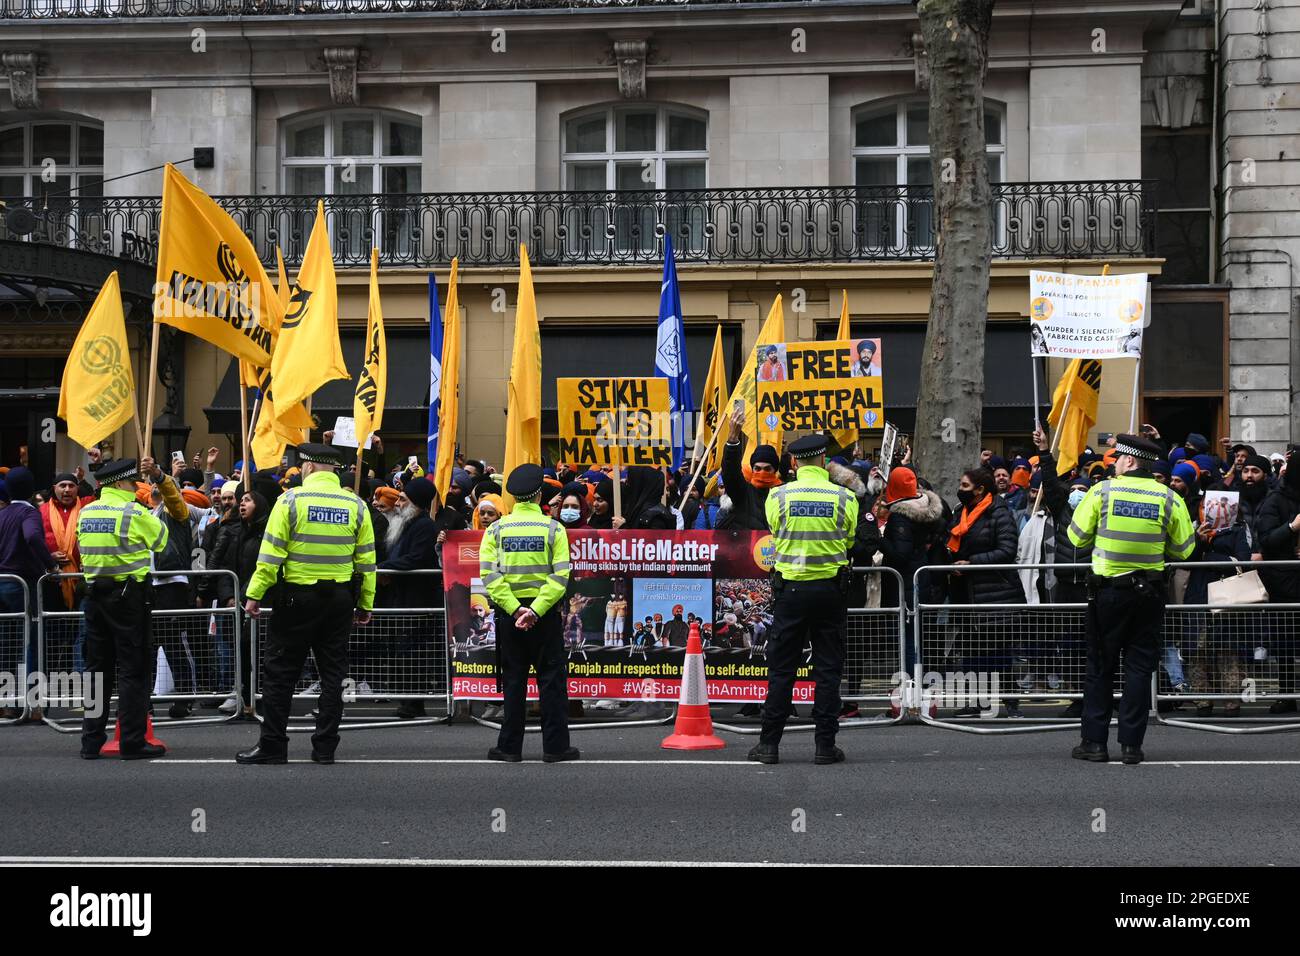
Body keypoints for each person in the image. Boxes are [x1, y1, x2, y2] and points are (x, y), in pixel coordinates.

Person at [236, 444, 376, 765]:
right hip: (340, 600)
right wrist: (365, 603)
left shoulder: (290, 500)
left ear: (309, 467)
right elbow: (366, 562)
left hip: (296, 600)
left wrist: (255, 594)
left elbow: (270, 555)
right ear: (335, 470)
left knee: (280, 674)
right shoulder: (356, 505)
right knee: (332, 675)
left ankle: (273, 745)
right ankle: (325, 747)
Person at [1067, 433, 1195, 765]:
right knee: (1139, 669)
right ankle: (1131, 747)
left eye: (1116, 460)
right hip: (1150, 594)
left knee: (1100, 668)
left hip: (1108, 592)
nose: (1114, 465)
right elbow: (1184, 549)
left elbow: (1076, 537)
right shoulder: (1168, 498)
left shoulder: (1103, 491)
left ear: (1128, 461)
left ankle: (1094, 743)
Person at [748, 434, 858, 766]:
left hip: (791, 593)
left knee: (782, 669)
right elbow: (850, 538)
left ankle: (769, 744)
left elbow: (774, 529)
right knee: (827, 670)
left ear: (794, 462)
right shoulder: (844, 497)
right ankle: (825, 745)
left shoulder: (777, 496)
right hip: (829, 591)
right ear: (823, 460)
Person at [477, 463, 578, 763]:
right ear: (538, 496)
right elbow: (560, 577)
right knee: (551, 681)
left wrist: (514, 608)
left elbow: (489, 575)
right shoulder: (553, 528)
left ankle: (509, 747)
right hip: (544, 616)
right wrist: (535, 610)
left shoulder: (496, 529)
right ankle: (556, 748)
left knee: (513, 681)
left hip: (510, 616)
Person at [77, 457, 169, 760]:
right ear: (120, 483)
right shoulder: (132, 511)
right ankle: (132, 741)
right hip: (129, 599)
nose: (135, 489)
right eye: (132, 483)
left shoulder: (86, 511)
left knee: (96, 672)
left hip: (94, 598)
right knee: (133, 671)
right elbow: (161, 541)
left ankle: (90, 741)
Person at [946, 466, 1024, 715]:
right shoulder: (961, 512)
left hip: (995, 592)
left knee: (999, 651)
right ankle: (978, 702)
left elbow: (1007, 550)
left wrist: (972, 564)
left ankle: (1011, 703)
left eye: (966, 486)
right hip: (966, 594)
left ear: (980, 490)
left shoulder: (998, 512)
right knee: (972, 651)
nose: (961, 490)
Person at [377, 476, 442, 719]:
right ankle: (408, 698)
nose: (398, 503)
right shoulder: (407, 524)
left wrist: (385, 568)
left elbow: (415, 558)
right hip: (404, 597)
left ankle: (413, 701)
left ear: (416, 503)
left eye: (403, 499)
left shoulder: (424, 526)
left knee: (413, 651)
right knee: (404, 649)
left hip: (418, 600)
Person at [0, 467, 58, 719]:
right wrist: (50, 564)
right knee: (31, 643)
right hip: (22, 584)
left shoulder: (2, 514)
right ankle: (34, 705)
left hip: (2, 581)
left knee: (6, 645)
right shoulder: (29, 512)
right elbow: (33, 536)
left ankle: (6, 703)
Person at [718, 405, 785, 531]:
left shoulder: (785, 494)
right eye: (757, 468)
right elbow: (730, 473)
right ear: (752, 469)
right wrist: (732, 440)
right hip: (746, 549)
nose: (762, 473)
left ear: (775, 470)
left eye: (767, 469)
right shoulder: (743, 493)